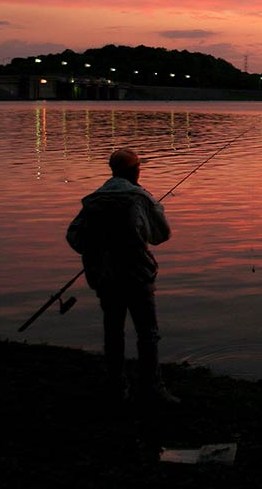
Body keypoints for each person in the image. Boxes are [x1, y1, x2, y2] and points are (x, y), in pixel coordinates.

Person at [66, 148, 178, 405]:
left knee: (113, 330)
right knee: (147, 333)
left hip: (103, 276)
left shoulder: (94, 200)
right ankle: (151, 388)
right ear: (134, 170)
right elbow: (161, 235)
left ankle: (116, 386)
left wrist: (97, 250)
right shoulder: (139, 199)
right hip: (137, 276)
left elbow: (74, 237)